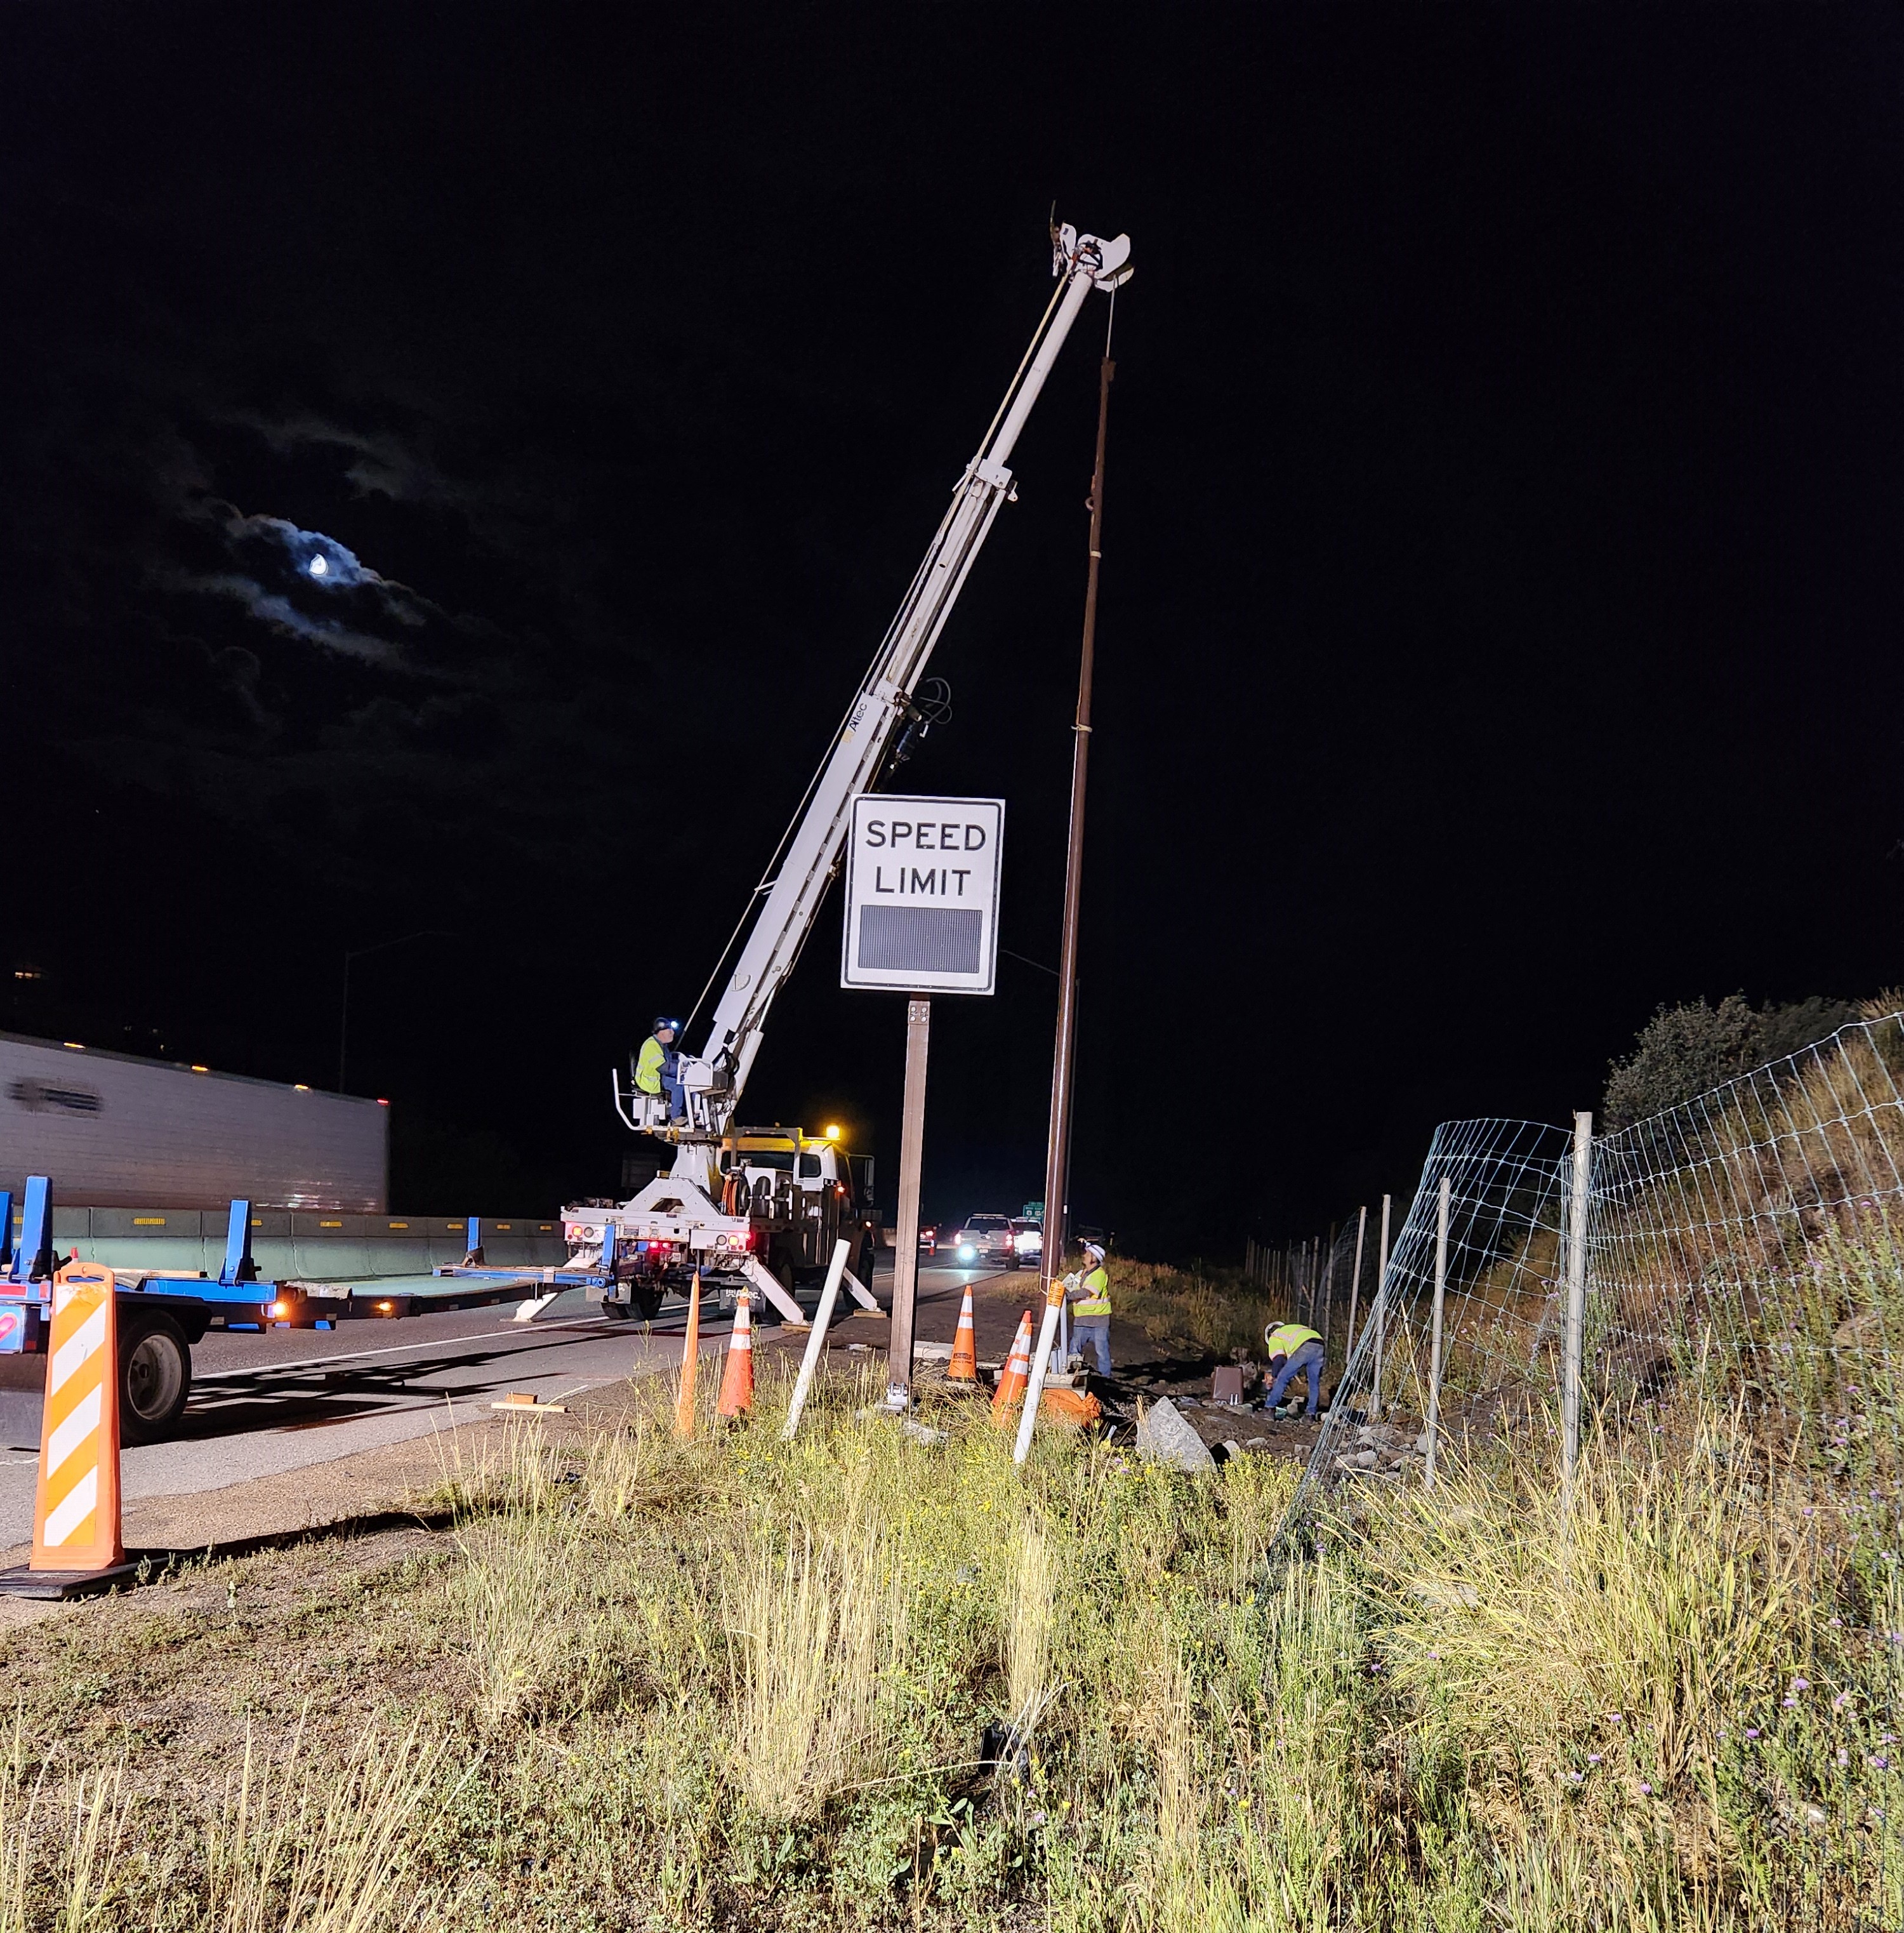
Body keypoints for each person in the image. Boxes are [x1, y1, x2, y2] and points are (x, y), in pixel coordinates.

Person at [1067, 1242, 1114, 1378]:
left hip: (1098, 1321)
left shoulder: (1099, 1274)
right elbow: (1068, 1286)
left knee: (1102, 1353)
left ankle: (1106, 1379)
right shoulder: (1081, 1274)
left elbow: (1086, 1292)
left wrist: (1068, 1296)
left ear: (1094, 1258)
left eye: (1088, 1254)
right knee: (1075, 1352)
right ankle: (1072, 1376)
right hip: (1082, 1320)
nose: (1084, 1256)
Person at [1262, 1320, 1326, 1419]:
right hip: (1320, 1344)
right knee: (1314, 1383)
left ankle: (1269, 1408)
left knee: (1282, 1378)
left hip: (1305, 1346)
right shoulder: (1292, 1329)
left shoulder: (1275, 1336)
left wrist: (1274, 1377)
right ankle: (1310, 1415)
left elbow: (1279, 1360)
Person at [633, 1016, 687, 1122]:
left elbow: (669, 1063)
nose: (672, 1033)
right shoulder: (652, 1046)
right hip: (649, 1081)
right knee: (678, 1085)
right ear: (662, 1033)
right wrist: (683, 1069)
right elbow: (664, 1067)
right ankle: (676, 1117)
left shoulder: (661, 1045)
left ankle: (692, 1112)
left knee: (685, 1080)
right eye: (670, 1031)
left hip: (658, 1077)